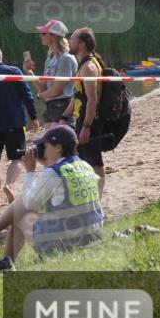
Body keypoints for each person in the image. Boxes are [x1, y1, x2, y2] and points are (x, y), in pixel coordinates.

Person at [0, 124, 103, 276]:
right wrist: (47, 164)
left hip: (63, 244)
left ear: (58, 147)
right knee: (27, 207)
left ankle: (5, 260)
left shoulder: (54, 173)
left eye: (45, 146)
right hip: (92, 237)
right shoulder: (85, 166)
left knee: (21, 216)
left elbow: (28, 203)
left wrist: (30, 171)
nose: (43, 150)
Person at [0, 47, 40, 205]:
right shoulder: (14, 71)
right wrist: (34, 117)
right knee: (16, 159)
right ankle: (9, 185)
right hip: (14, 124)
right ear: (0, 58)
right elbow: (28, 96)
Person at [62, 28, 109, 198]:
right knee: (83, 159)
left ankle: (97, 198)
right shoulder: (83, 65)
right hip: (81, 119)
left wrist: (87, 127)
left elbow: (92, 99)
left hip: (90, 120)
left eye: (72, 39)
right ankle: (90, 195)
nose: (68, 41)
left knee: (94, 162)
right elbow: (78, 95)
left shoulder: (89, 67)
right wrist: (64, 117)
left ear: (81, 44)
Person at [24, 19, 78, 129]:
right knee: (48, 142)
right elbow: (43, 88)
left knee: (56, 142)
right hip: (51, 105)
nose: (41, 36)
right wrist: (30, 73)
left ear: (53, 36)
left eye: (44, 33)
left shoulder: (65, 58)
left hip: (62, 105)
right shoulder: (50, 59)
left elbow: (57, 90)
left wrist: (40, 96)